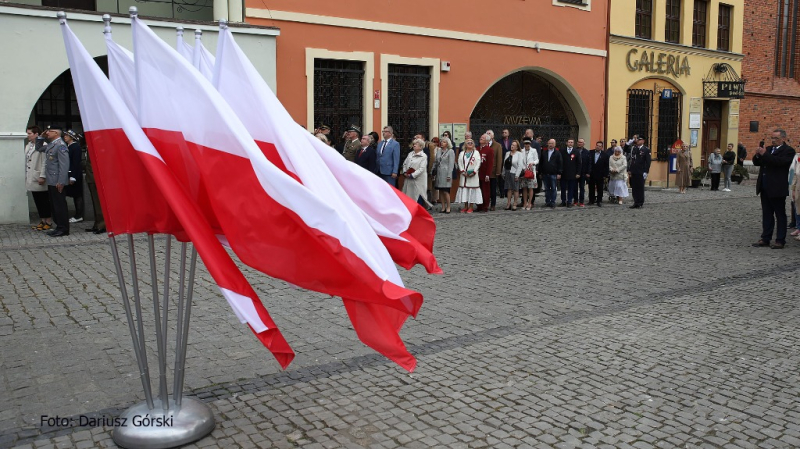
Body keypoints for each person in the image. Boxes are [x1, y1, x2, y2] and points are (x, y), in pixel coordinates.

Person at [752, 129, 795, 249]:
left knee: (780, 215)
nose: (773, 141)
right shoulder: (769, 149)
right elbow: (757, 163)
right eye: (772, 138)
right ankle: (765, 238)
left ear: (783, 138)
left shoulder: (788, 151)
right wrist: (757, 154)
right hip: (765, 186)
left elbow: (778, 162)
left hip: (777, 187)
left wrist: (764, 154)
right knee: (767, 214)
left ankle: (780, 240)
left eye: (776, 138)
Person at [42, 125, 70, 237]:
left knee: (60, 206)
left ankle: (63, 229)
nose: (47, 132)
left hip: (57, 180)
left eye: (50, 131)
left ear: (56, 133)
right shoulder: (52, 144)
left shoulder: (61, 146)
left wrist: (61, 181)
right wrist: (40, 137)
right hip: (51, 180)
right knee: (54, 206)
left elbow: (64, 165)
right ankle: (59, 227)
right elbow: (38, 148)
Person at [25, 126, 53, 231]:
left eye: (29, 133)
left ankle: (48, 221)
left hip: (38, 176)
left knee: (44, 199)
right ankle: (42, 220)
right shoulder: (29, 146)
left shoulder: (43, 145)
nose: (28, 135)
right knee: (37, 199)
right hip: (31, 175)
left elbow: (45, 162)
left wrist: (42, 175)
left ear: (36, 134)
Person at [401, 139, 432, 209]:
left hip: (418, 181)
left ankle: (418, 212)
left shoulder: (423, 156)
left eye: (416, 144)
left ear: (421, 147)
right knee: (408, 197)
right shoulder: (410, 154)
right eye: (414, 143)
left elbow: (422, 168)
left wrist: (412, 175)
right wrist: (405, 172)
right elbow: (405, 163)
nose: (414, 145)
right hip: (408, 180)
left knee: (417, 196)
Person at [455, 138, 482, 213]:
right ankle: (465, 206)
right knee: (465, 191)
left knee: (472, 190)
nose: (470, 144)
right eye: (468, 143)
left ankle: (471, 206)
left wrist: (474, 171)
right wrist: (463, 171)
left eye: (471, 143)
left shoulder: (476, 153)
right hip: (464, 175)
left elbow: (478, 163)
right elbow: (459, 162)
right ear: (465, 145)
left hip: (473, 175)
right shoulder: (462, 153)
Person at [83, 144, 105, 234]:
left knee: (99, 203)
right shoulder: (89, 145)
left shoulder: (96, 144)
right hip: (90, 177)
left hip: (96, 177)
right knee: (95, 203)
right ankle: (97, 224)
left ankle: (102, 225)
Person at [63, 130, 84, 223]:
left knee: (77, 195)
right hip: (69, 173)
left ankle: (79, 215)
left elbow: (75, 162)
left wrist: (73, 176)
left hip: (74, 174)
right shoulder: (69, 146)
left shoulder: (75, 147)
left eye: (67, 135)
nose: (65, 136)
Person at [627, 136, 651, 208]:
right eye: (636, 140)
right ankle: (636, 202)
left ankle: (640, 202)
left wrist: (646, 171)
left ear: (643, 141)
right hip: (633, 171)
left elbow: (648, 162)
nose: (637, 141)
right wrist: (630, 142)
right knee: (634, 187)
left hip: (641, 171)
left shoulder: (646, 149)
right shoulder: (634, 148)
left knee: (640, 188)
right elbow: (625, 149)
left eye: (639, 140)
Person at [539, 139, 563, 208]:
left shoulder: (557, 153)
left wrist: (559, 173)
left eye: (552, 143)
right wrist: (540, 172)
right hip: (545, 173)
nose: (550, 145)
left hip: (553, 174)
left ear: (555, 144)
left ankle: (553, 202)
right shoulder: (544, 152)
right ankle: (547, 201)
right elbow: (541, 163)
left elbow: (560, 163)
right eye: (549, 143)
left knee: (553, 189)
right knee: (546, 189)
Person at [434, 137, 455, 213]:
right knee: (441, 191)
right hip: (439, 173)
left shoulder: (450, 151)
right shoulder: (439, 151)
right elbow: (436, 161)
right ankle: (443, 207)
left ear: (447, 143)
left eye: (444, 142)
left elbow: (451, 164)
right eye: (441, 142)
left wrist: (449, 175)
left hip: (446, 173)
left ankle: (448, 206)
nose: (442, 143)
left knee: (446, 191)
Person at [502, 140, 525, 210]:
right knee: (509, 189)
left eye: (514, 145)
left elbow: (520, 165)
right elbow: (504, 164)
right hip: (508, 172)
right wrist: (503, 172)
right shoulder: (507, 153)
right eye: (512, 144)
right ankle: (508, 203)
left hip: (514, 172)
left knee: (515, 189)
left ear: (517, 147)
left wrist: (517, 175)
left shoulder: (519, 154)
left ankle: (515, 203)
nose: (512, 146)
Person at [559, 138, 582, 207]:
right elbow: (559, 161)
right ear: (566, 143)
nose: (570, 143)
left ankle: (569, 201)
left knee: (571, 188)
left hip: (572, 173)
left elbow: (579, 163)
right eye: (569, 142)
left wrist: (578, 173)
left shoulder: (576, 151)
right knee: (563, 188)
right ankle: (563, 201)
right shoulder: (562, 150)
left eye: (572, 142)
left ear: (573, 143)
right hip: (563, 173)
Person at [477, 134, 495, 212]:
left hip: (485, 173)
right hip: (477, 173)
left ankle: (485, 206)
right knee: (478, 190)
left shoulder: (489, 150)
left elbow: (490, 163)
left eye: (483, 138)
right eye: (481, 137)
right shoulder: (477, 149)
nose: (481, 138)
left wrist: (488, 174)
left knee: (485, 190)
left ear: (487, 141)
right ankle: (479, 205)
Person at [587, 141, 608, 206]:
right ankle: (591, 200)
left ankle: (599, 201)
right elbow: (588, 163)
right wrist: (588, 172)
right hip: (591, 173)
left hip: (600, 173)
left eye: (599, 146)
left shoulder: (605, 155)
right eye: (597, 145)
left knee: (600, 188)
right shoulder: (590, 152)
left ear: (602, 147)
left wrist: (605, 175)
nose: (598, 147)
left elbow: (606, 165)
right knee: (591, 187)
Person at [520, 138, 539, 210]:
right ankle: (525, 202)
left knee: (531, 188)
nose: (527, 145)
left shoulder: (533, 151)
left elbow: (537, 160)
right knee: (524, 188)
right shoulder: (521, 151)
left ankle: (530, 203)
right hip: (524, 171)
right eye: (525, 144)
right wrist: (523, 167)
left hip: (531, 171)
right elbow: (520, 160)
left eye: (528, 144)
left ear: (530, 144)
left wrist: (533, 163)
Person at [486, 130, 502, 211]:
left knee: (493, 189)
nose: (488, 135)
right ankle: (486, 203)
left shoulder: (497, 145)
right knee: (485, 189)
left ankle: (493, 204)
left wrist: (498, 171)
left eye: (489, 134)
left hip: (493, 171)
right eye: (487, 133)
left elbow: (499, 159)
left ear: (493, 136)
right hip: (485, 171)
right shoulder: (484, 144)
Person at [577, 138, 591, 206]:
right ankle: (575, 200)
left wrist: (588, 172)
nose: (580, 143)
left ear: (584, 143)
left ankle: (581, 201)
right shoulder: (575, 151)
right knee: (574, 187)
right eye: (579, 142)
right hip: (575, 172)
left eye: (581, 142)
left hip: (583, 172)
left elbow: (589, 163)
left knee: (582, 188)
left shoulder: (587, 152)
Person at [790, 151, 800, 240]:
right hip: (798, 188)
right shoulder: (798, 157)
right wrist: (793, 189)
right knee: (797, 209)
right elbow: (795, 176)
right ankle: (798, 227)